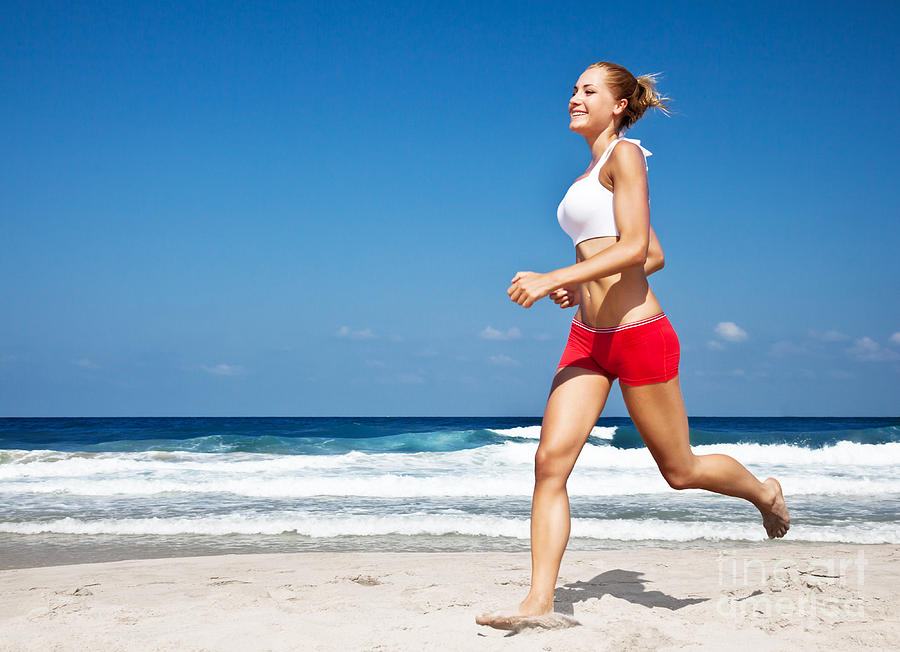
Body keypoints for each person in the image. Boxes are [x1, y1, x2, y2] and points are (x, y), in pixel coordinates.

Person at [475, 61, 790, 630]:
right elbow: (651, 254)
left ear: (618, 105)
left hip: (639, 336)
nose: (575, 98)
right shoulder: (587, 174)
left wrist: (554, 278)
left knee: (680, 470)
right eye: (573, 89)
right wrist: (579, 283)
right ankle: (539, 602)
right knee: (549, 463)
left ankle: (764, 493)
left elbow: (639, 245)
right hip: (587, 341)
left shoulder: (626, 155)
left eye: (588, 91)